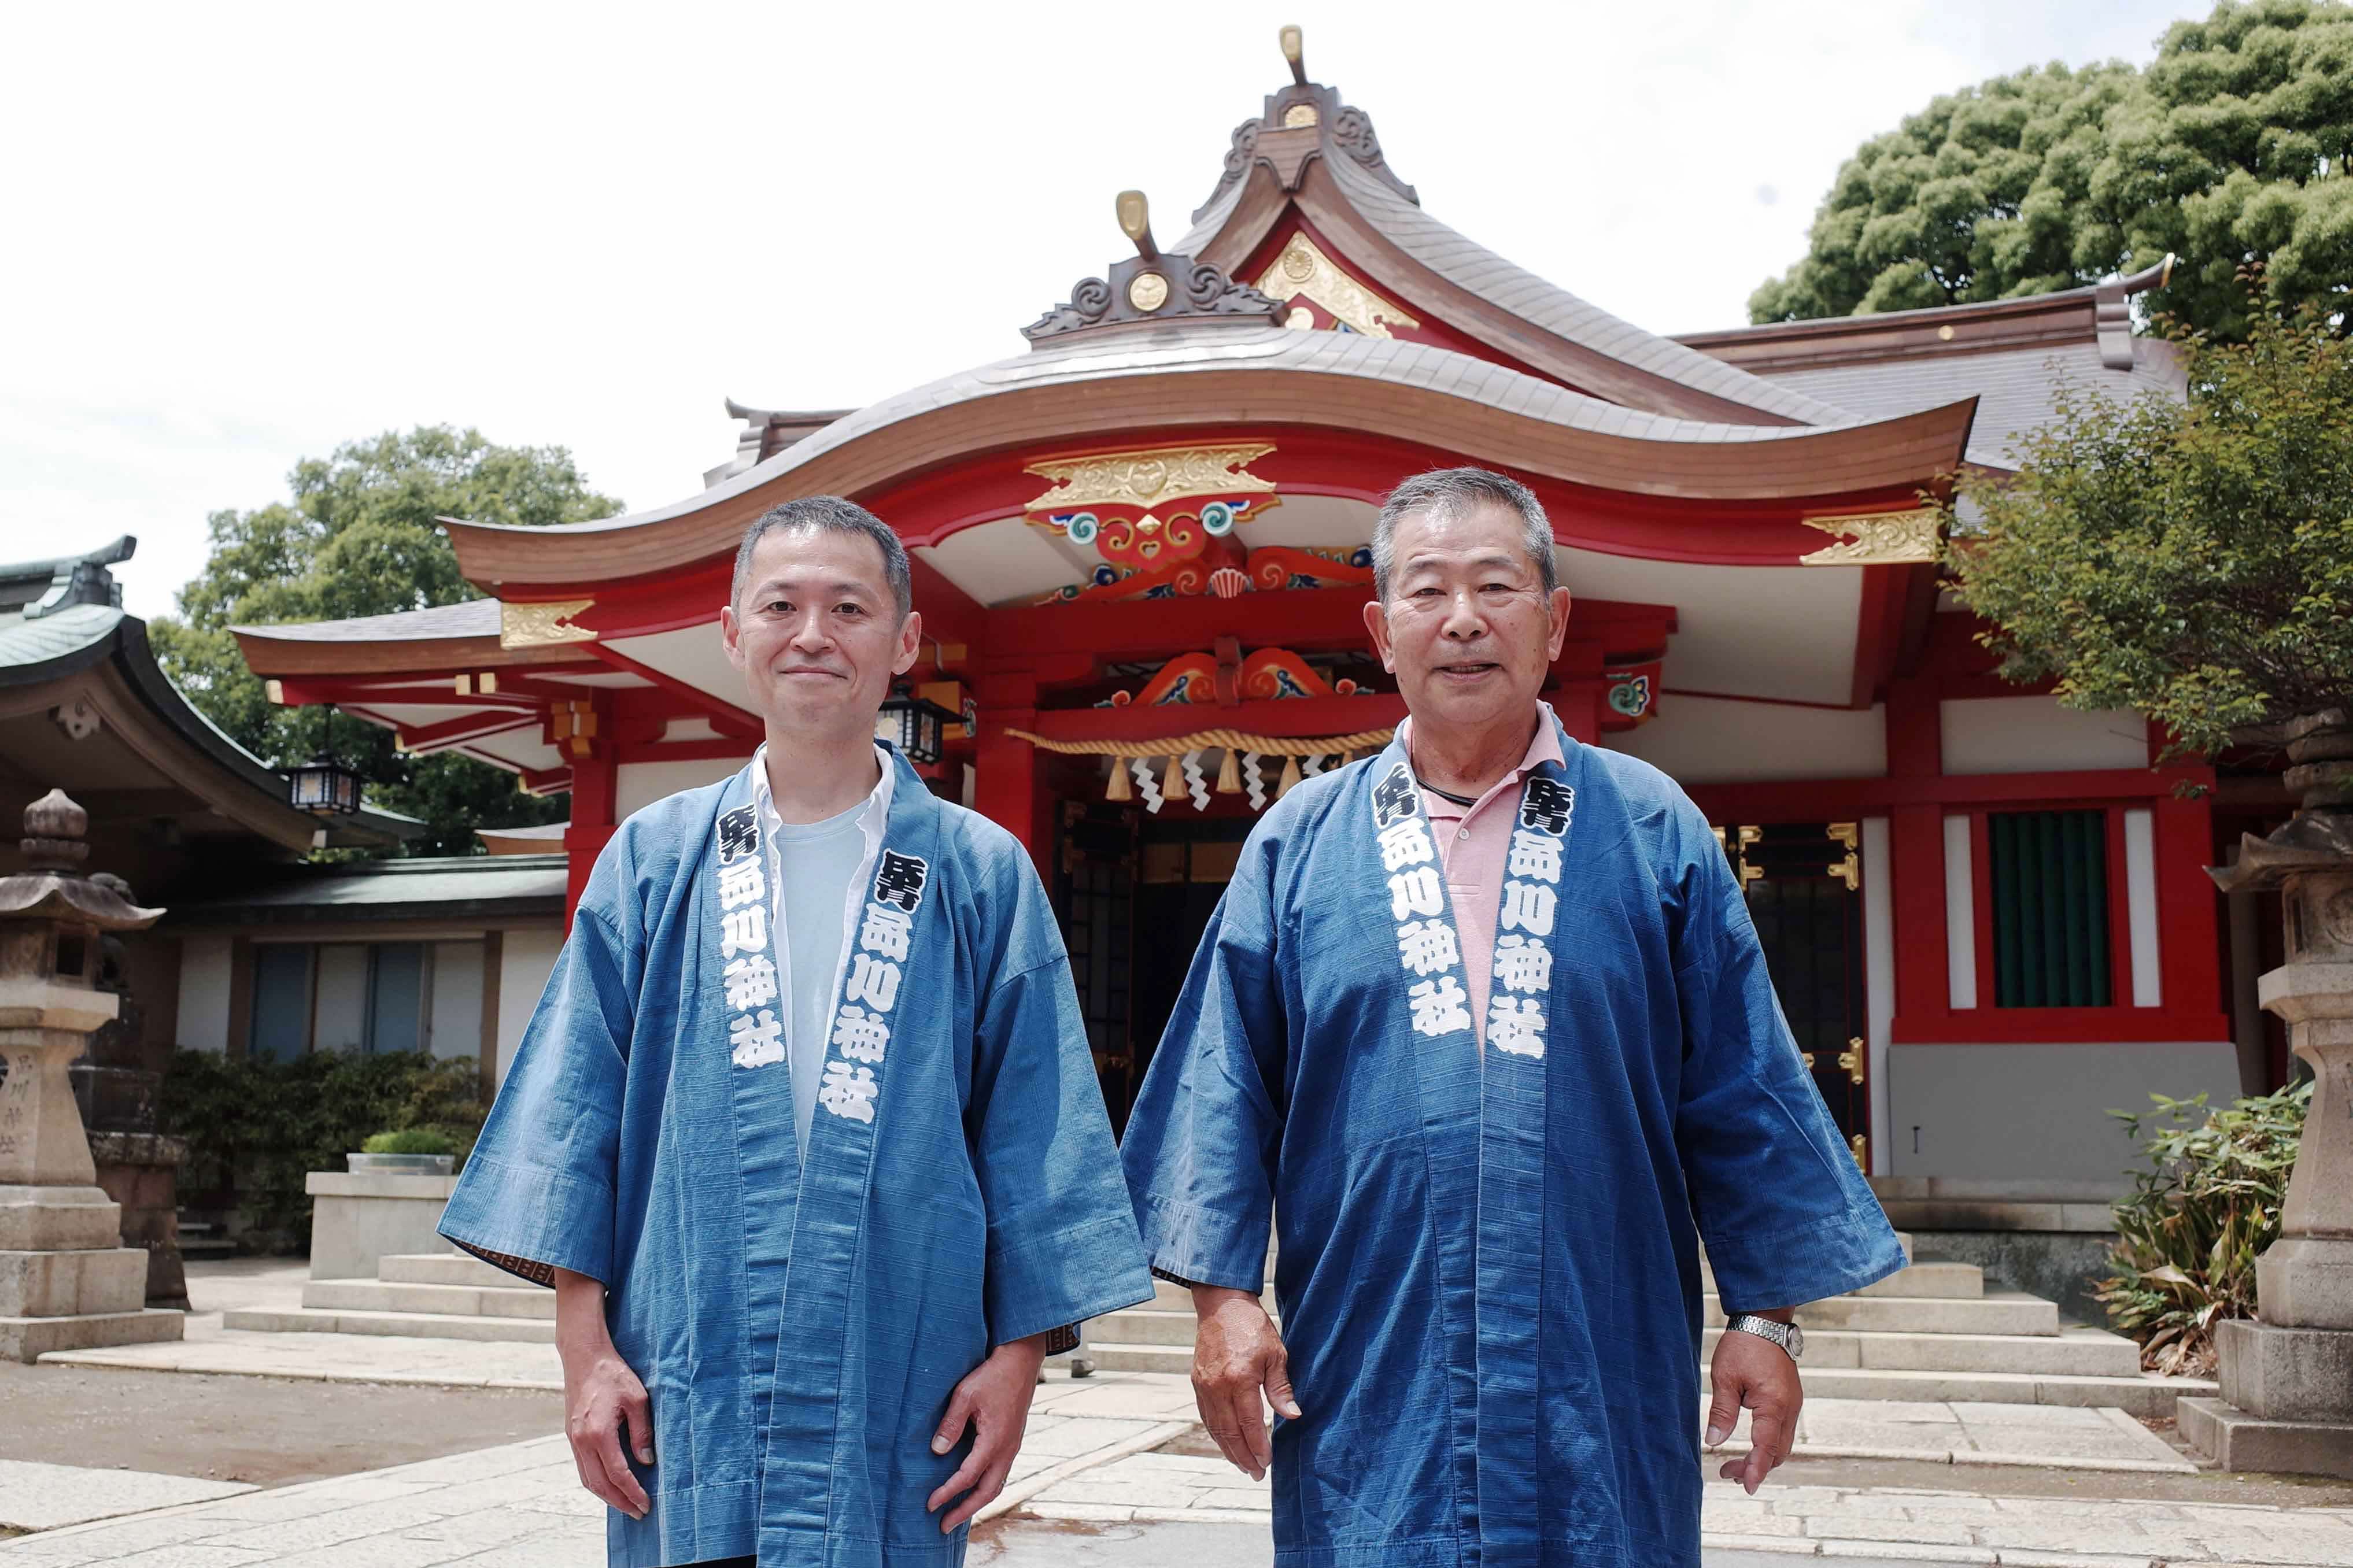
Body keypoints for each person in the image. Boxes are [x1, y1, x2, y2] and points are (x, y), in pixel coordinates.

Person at [1120, 467, 1905, 1567]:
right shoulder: (1298, 845)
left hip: (1601, 1341)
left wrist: (1765, 1320)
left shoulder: (1651, 829)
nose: (1462, 621)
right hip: (1366, 1351)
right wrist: (1221, 1304)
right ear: (1380, 630)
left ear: (1554, 618)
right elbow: (1221, 1083)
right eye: (1426, 591)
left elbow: (1741, 1085)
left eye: (1496, 586)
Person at [442, 495, 1153, 1568]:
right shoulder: (653, 858)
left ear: (904, 641)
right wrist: (584, 1352)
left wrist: (1019, 1361)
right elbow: (576, 1108)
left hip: (902, 1367)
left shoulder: (979, 870)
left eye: (850, 608)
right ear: (734, 635)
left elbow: (1034, 1129)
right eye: (780, 605)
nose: (813, 635)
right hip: (686, 1365)